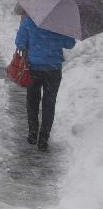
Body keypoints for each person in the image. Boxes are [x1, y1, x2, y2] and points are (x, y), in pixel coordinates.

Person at [14, 13, 76, 151]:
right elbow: (70, 44)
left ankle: (32, 132)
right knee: (49, 103)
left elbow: (20, 43)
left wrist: (32, 43)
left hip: (34, 68)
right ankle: (43, 138)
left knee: (32, 100)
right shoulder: (61, 23)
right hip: (53, 69)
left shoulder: (30, 21)